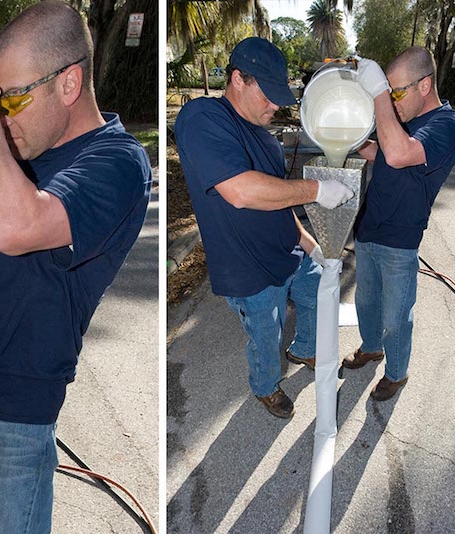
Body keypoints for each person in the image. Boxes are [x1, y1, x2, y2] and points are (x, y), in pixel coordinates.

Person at [0, 2, 152, 532]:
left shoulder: (116, 163)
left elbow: (13, 227)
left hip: (14, 415)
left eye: (12, 99)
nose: (1, 116)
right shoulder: (26, 150)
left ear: (69, 84)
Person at [174, 37, 355, 419]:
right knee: (265, 337)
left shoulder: (264, 134)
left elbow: (279, 199)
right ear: (238, 79)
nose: (276, 105)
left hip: (288, 251)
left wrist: (310, 245)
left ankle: (305, 348)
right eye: (268, 95)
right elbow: (240, 192)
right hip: (247, 269)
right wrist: (317, 190)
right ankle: (265, 387)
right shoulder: (203, 119)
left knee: (316, 298)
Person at [345, 48, 455, 400]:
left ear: (424, 85)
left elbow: (399, 154)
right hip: (368, 226)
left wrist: (379, 92)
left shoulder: (446, 125)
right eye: (390, 92)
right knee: (366, 301)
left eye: (397, 91)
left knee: (396, 317)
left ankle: (396, 373)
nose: (393, 100)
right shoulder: (404, 120)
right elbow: (382, 153)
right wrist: (351, 139)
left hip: (400, 239)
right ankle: (370, 347)